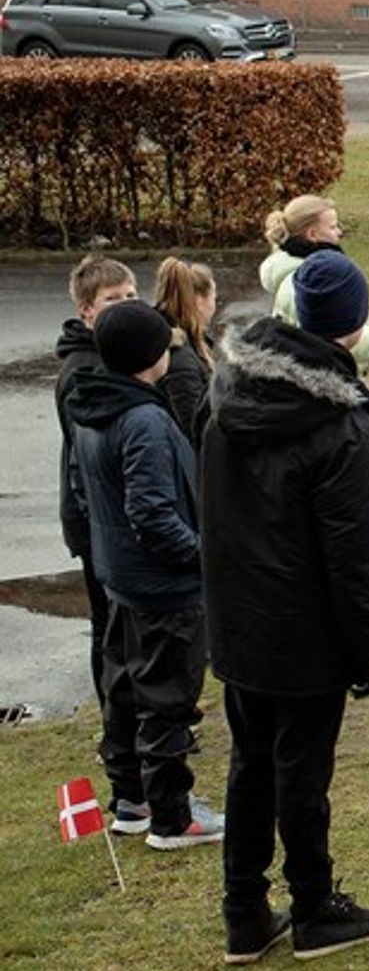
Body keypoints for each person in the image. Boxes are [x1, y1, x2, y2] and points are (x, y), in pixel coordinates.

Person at [202, 249, 369, 964]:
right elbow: (352, 555)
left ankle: (244, 910)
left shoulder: (228, 395)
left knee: (252, 763)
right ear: (353, 324)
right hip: (300, 628)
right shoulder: (337, 426)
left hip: (241, 618)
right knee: (298, 772)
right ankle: (312, 904)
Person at [65, 301, 225, 851]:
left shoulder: (91, 404)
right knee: (167, 696)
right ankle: (172, 816)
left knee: (127, 686)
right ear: (149, 354)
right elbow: (154, 513)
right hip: (162, 585)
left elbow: (84, 490)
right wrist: (203, 556)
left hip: (120, 576)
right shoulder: (144, 419)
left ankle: (131, 799)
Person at [55, 255, 139, 740]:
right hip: (96, 518)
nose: (126, 306)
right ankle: (115, 724)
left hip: (105, 511)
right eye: (113, 300)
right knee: (108, 622)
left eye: (130, 296)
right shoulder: (84, 369)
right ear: (87, 310)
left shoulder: (111, 354)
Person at [259, 195, 369, 373]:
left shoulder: (306, 276)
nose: (339, 232)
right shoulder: (304, 284)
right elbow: (324, 340)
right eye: (333, 227)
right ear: (312, 234)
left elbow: (330, 311)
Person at [150, 258, 219, 444]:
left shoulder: (185, 342)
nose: (215, 306)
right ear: (198, 301)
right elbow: (195, 428)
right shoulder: (182, 359)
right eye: (214, 298)